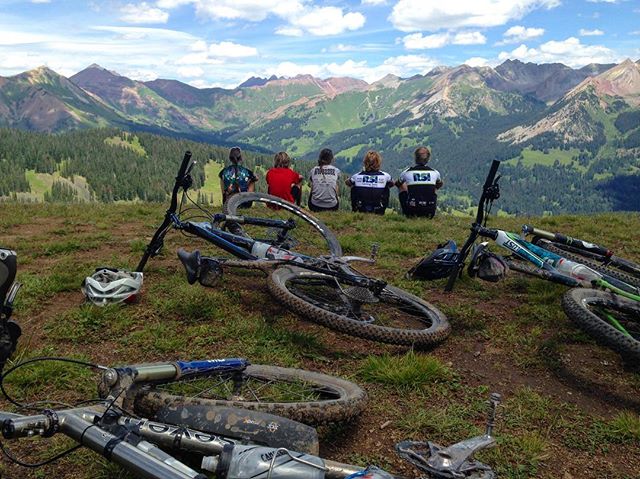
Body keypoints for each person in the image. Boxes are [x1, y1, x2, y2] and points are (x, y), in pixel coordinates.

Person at [396, 146, 443, 218]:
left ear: (415, 158)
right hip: (430, 213)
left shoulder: (407, 172)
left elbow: (397, 184)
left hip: (411, 211)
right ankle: (430, 205)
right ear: (428, 159)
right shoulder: (435, 172)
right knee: (434, 186)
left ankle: (406, 212)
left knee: (402, 185)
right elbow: (440, 184)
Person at [345, 150, 394, 215]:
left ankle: (355, 208)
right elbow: (393, 183)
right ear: (378, 162)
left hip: (361, 208)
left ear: (365, 162)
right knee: (386, 187)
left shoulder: (357, 176)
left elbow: (347, 182)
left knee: (353, 186)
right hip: (378, 208)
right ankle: (381, 209)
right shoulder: (385, 176)